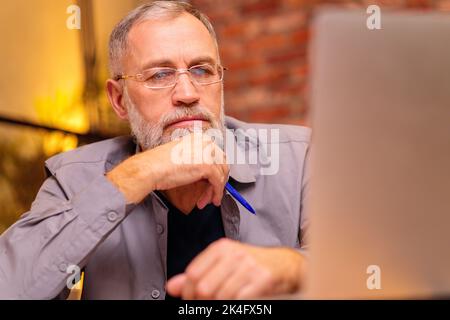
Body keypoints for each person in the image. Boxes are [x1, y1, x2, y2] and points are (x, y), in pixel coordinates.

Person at [0, 1, 311, 300]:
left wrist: (291, 267)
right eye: (160, 75)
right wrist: (137, 174)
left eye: (202, 70)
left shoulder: (297, 160)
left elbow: (356, 271)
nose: (188, 94)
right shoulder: (73, 177)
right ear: (119, 100)